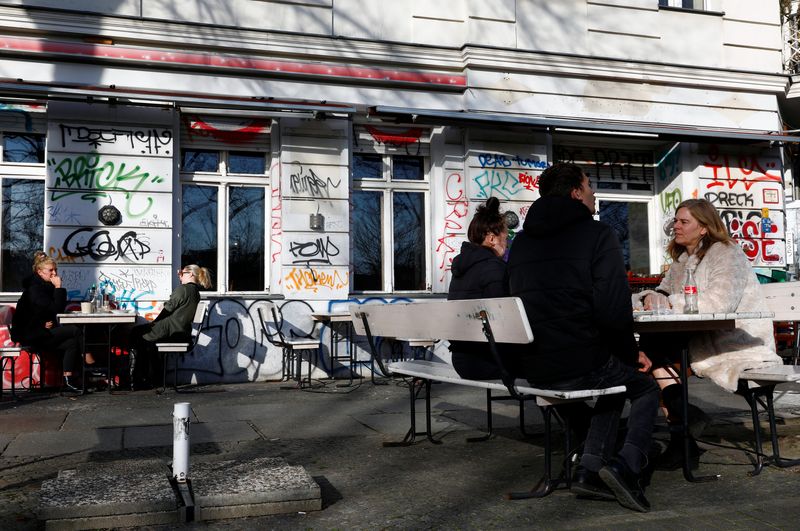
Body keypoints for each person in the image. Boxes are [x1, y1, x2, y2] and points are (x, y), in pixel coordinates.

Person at [507, 162, 659, 513]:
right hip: (579, 359)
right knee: (643, 385)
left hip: (534, 365)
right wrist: (630, 351)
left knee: (613, 380)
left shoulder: (522, 242)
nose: (594, 194)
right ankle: (627, 465)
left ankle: (589, 469)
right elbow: (612, 308)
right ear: (576, 192)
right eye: (589, 186)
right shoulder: (597, 234)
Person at [634, 198, 782, 469]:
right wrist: (651, 297)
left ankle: (684, 435)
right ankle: (685, 425)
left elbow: (719, 304)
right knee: (649, 351)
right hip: (699, 337)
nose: (675, 226)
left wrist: (670, 302)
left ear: (703, 227)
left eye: (683, 221)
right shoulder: (681, 260)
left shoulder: (726, 253)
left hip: (735, 341)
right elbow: (665, 291)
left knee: (652, 355)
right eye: (675, 221)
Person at [447, 197, 520, 379]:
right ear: (492, 238)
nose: (507, 241)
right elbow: (505, 322)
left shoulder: (460, 269)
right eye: (505, 236)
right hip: (489, 361)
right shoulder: (494, 268)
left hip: (462, 361)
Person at [129, 264, 212, 390]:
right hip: (181, 331)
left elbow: (168, 308)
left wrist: (155, 322)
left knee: (136, 333)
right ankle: (147, 378)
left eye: (181, 273)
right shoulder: (195, 292)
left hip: (171, 330)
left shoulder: (183, 289)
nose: (180, 277)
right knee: (143, 338)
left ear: (190, 274)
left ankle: (136, 380)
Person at [11, 254, 83, 394]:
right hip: (31, 335)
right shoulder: (35, 289)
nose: (54, 273)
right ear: (39, 271)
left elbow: (45, 310)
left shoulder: (44, 287)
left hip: (39, 332)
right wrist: (59, 287)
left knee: (72, 343)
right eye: (51, 270)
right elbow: (55, 309)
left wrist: (42, 322)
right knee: (75, 330)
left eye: (55, 269)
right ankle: (89, 363)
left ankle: (68, 381)